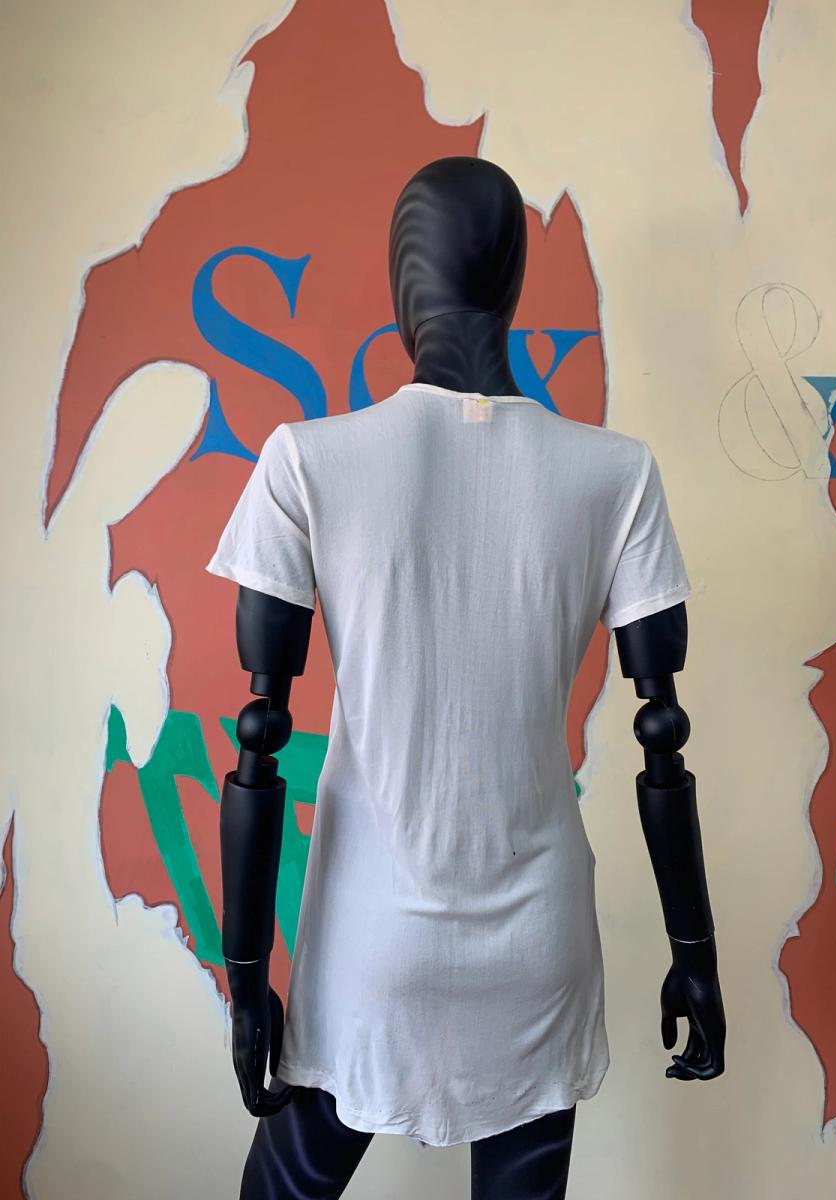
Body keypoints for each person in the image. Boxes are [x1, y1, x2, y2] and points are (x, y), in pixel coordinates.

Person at [207, 156, 725, 1200]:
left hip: (369, 939)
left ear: (407, 281)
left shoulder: (308, 461)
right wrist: (696, 953)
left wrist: (247, 980)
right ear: (512, 282)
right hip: (538, 940)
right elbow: (663, 736)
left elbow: (259, 735)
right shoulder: (615, 474)